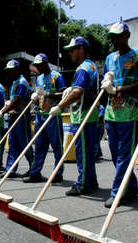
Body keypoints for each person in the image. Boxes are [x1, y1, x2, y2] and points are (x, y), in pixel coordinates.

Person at [101, 22, 138, 208]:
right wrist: (105, 97)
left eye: (118, 36)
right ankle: (132, 186)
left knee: (124, 156)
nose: (114, 39)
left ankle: (118, 192)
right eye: (112, 36)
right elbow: (106, 84)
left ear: (127, 35)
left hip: (130, 115)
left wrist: (118, 89)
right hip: (112, 114)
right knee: (115, 155)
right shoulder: (109, 58)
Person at [50, 36, 99, 196]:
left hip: (83, 116)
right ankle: (91, 180)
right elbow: (77, 88)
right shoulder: (91, 66)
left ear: (81, 50)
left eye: (73, 50)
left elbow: (78, 92)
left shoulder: (83, 68)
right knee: (89, 152)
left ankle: (83, 183)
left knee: (83, 152)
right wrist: (69, 89)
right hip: (90, 116)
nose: (70, 53)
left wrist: (59, 106)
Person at [23, 53, 66, 183]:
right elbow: (39, 96)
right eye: (36, 66)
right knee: (40, 145)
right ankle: (35, 173)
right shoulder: (39, 78)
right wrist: (35, 98)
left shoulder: (57, 76)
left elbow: (64, 94)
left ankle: (58, 173)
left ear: (46, 63)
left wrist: (48, 94)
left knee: (57, 146)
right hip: (40, 115)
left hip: (53, 115)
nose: (38, 68)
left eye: (40, 65)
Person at [0, 59, 34, 178]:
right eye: (8, 71)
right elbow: (13, 100)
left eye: (12, 70)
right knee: (12, 143)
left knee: (25, 143)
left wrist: (1, 112)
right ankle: (10, 169)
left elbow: (17, 100)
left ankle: (33, 169)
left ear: (17, 69)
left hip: (22, 117)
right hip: (13, 116)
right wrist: (7, 104)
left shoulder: (21, 82)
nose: (10, 73)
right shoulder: (15, 82)